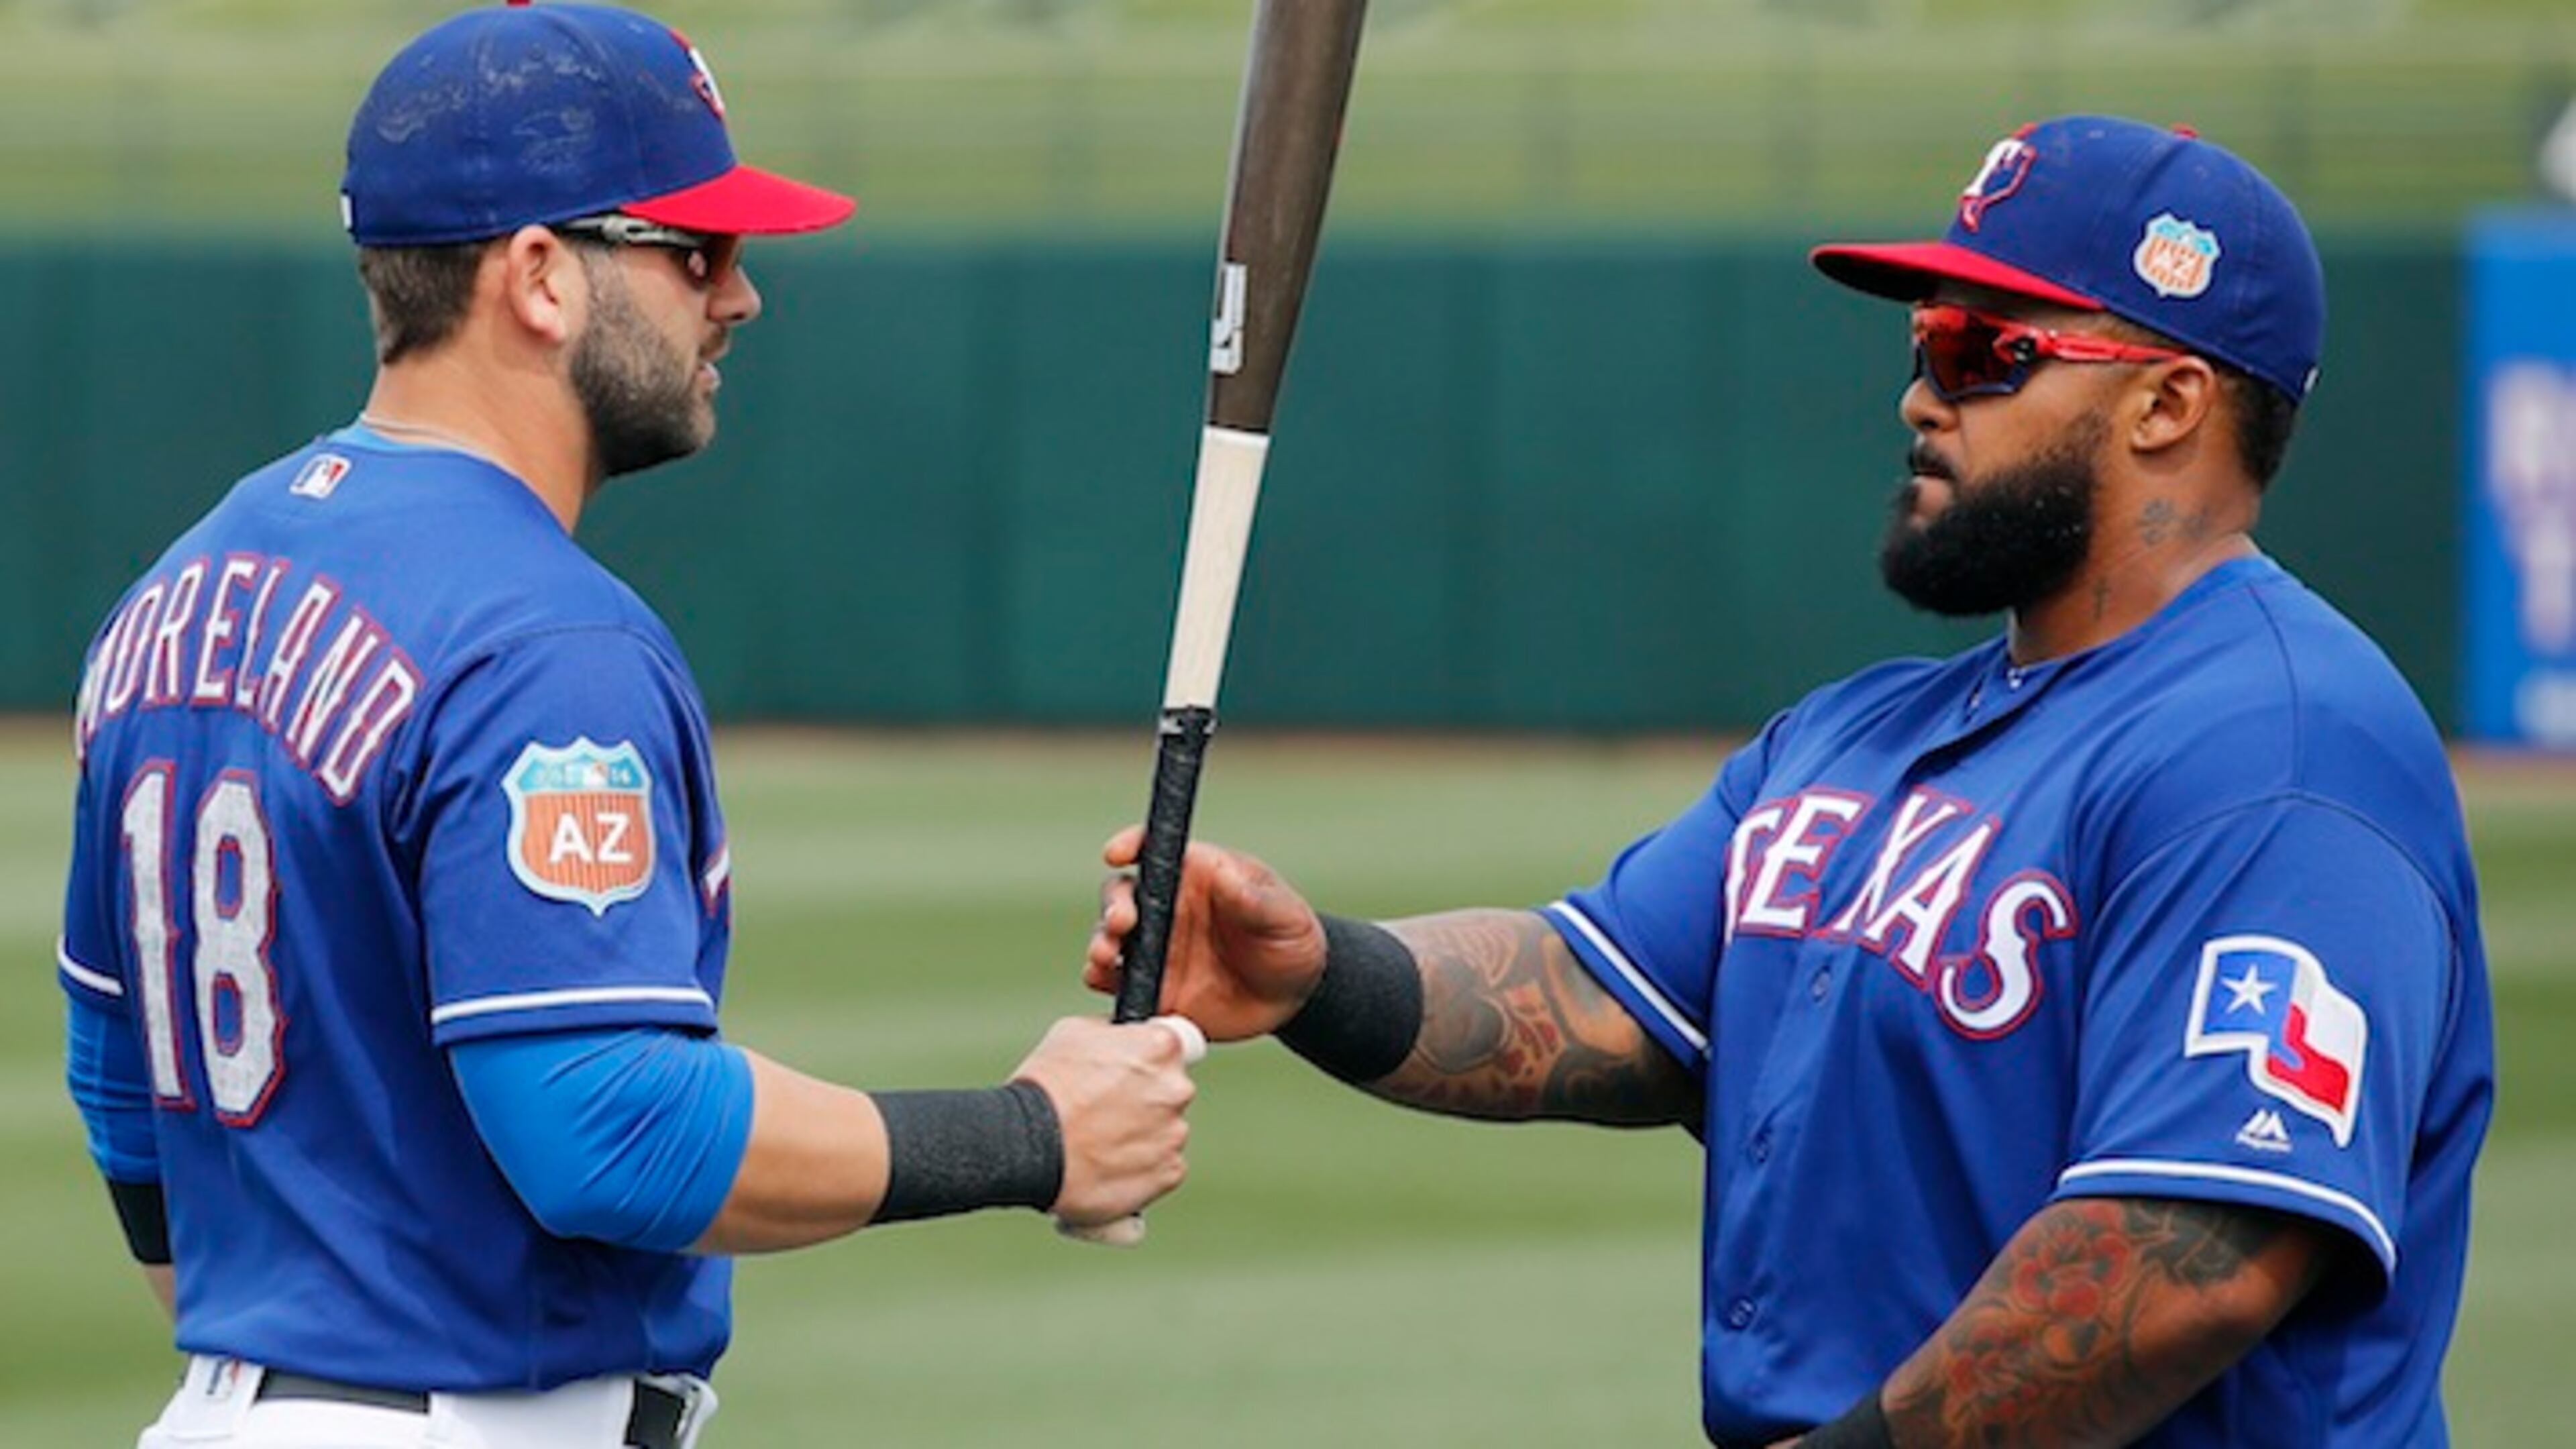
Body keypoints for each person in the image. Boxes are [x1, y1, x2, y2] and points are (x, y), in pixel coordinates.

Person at [1087, 115, 2494, 1447]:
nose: (1919, 394)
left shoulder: (2282, 751)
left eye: (1980, 349)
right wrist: (1316, 975)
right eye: (1921, 340)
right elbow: (1605, 993)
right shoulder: (1859, 735)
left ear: (2168, 402)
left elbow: (2190, 1255)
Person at [56, 5, 1199, 1446]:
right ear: (539, 276)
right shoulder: (545, 636)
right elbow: (608, 1130)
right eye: (695, 248)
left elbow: (117, 1079)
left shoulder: (177, 592)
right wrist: (1035, 1138)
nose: (738, 297)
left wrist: (285, 1356)